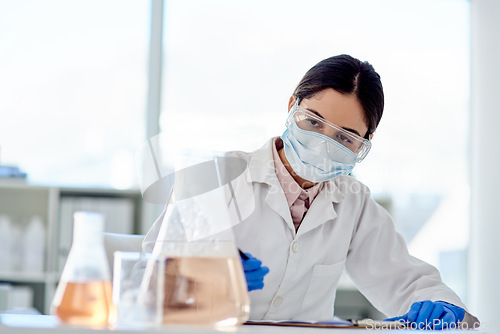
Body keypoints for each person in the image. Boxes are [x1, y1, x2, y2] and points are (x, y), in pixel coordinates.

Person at [144, 54, 479, 329]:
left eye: (345, 138)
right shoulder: (217, 179)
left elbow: (406, 280)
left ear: (364, 144)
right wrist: (198, 278)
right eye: (314, 122)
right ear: (292, 106)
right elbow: (145, 281)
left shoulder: (353, 202)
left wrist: (442, 307)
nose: (322, 144)